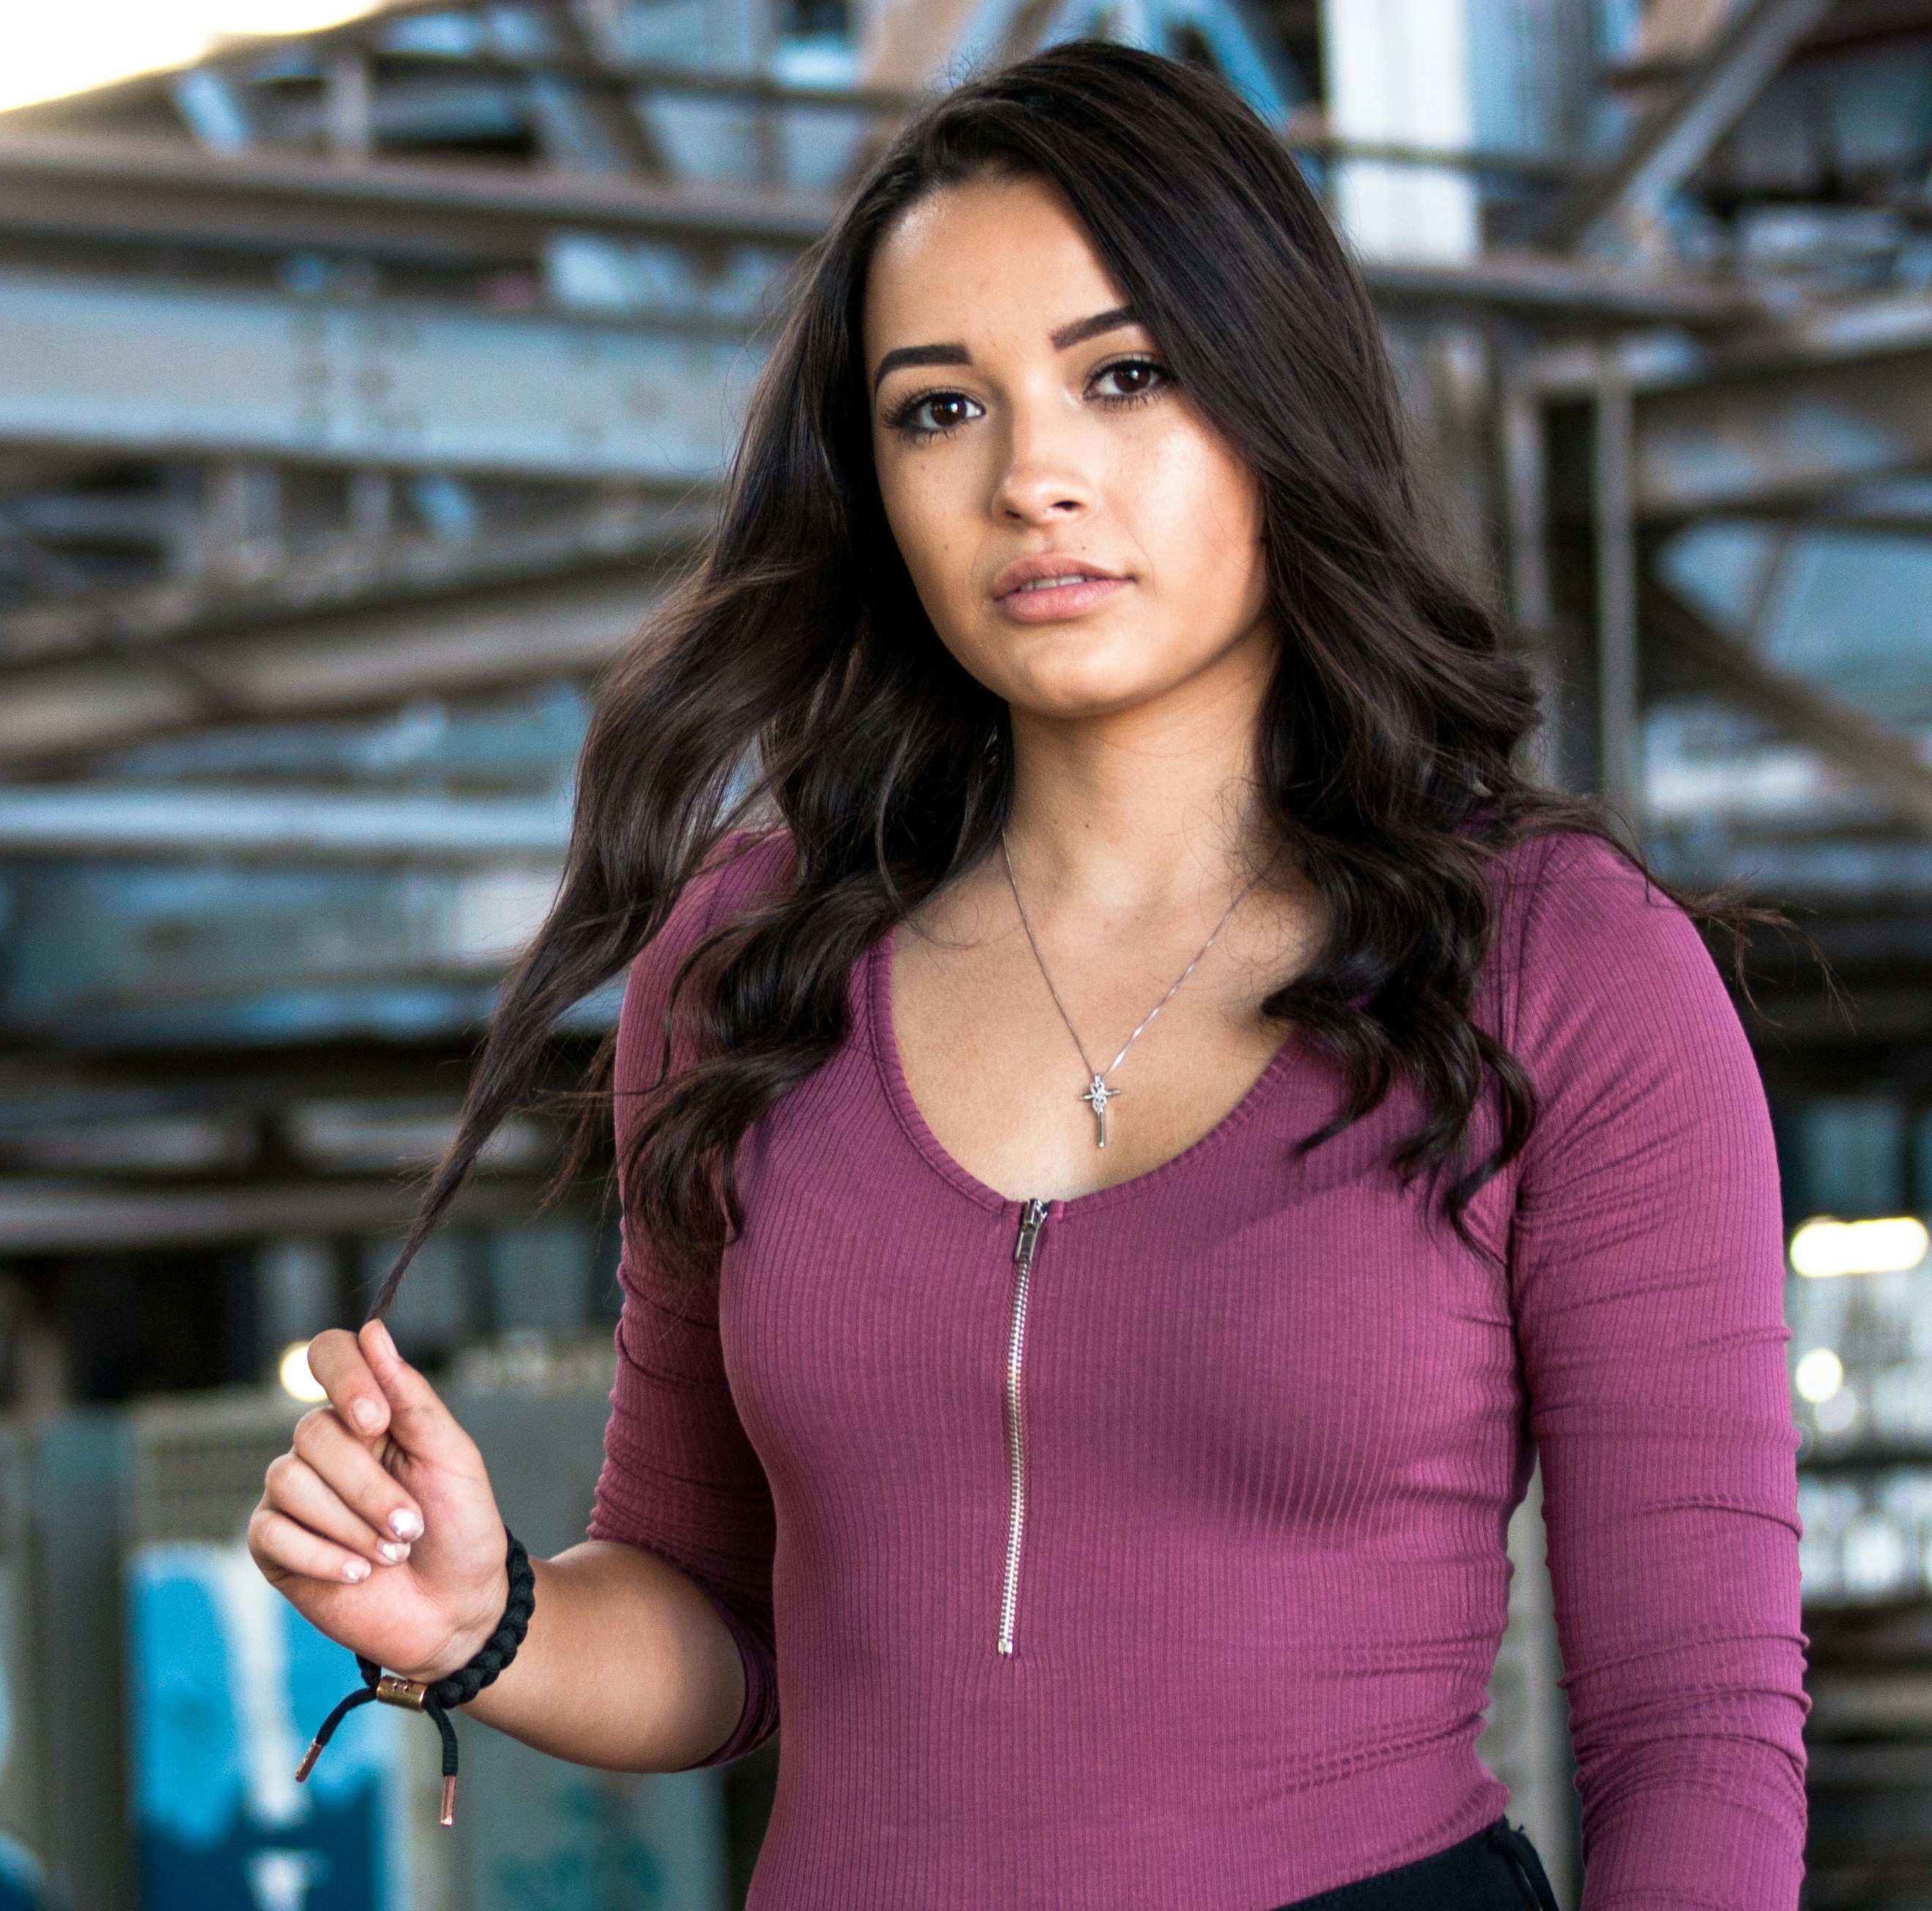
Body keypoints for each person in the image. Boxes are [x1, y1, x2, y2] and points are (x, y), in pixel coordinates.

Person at [245, 41, 1807, 1908]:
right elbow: (710, 1622)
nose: (1032, 478)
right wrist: (482, 1616)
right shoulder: (741, 972)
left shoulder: (1560, 969)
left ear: (1275, 403)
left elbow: (1697, 1726)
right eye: (937, 410)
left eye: (1125, 377)